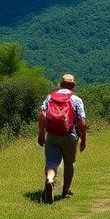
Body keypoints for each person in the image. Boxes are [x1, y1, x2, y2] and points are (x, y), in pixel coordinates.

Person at [37, 73, 87, 204]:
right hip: (69, 135)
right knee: (69, 163)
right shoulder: (76, 99)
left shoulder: (50, 97)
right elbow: (82, 121)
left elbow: (42, 115)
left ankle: (50, 180)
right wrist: (83, 138)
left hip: (52, 135)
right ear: (73, 86)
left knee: (52, 162)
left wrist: (41, 133)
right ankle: (66, 191)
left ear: (61, 84)